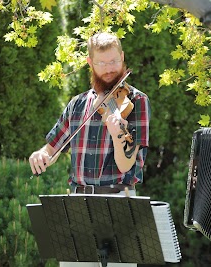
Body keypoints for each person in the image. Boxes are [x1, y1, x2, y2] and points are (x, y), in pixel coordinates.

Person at [29, 32, 150, 267]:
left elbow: (127, 165)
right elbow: (53, 146)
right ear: (90, 63)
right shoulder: (77, 104)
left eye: (114, 61)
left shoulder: (136, 102)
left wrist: (117, 135)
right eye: (102, 63)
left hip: (118, 201)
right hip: (78, 203)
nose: (109, 69)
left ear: (123, 57)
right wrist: (42, 154)